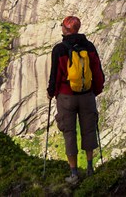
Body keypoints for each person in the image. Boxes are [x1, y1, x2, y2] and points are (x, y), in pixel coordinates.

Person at [47, 15, 105, 184]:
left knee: (69, 133)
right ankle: (89, 167)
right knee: (88, 129)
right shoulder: (89, 47)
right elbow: (97, 71)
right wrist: (96, 90)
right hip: (87, 95)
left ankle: (73, 174)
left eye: (62, 27)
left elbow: (55, 75)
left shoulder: (59, 49)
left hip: (66, 97)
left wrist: (51, 92)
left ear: (66, 30)